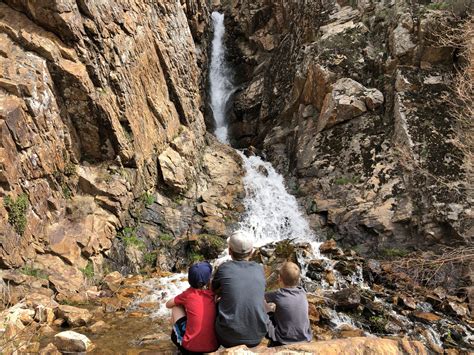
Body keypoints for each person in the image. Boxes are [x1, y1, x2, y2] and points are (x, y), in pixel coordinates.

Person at [212, 231, 268, 348]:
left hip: (228, 338)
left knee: (214, 302)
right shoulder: (259, 269)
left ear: (229, 251)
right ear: (252, 252)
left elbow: (213, 290)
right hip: (258, 336)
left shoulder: (224, 268)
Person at [166, 261, 218, 354]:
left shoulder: (188, 294)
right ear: (209, 279)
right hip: (213, 347)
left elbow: (168, 304)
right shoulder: (213, 294)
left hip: (189, 348)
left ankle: (178, 338)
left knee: (176, 307)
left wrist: (183, 301)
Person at [265, 261, 313, 347]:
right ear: (299, 279)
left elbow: (261, 298)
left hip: (283, 340)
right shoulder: (302, 292)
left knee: (264, 311)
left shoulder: (278, 294)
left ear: (279, 278)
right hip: (305, 338)